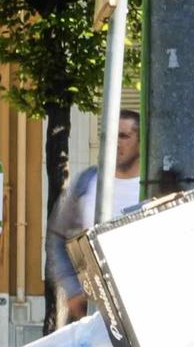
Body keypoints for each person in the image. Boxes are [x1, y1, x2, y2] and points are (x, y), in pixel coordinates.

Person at [46, 110, 142, 325]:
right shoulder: (87, 182)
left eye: (124, 136)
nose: (115, 143)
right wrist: (72, 290)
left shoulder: (155, 186)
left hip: (139, 305)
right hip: (92, 309)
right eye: (109, 136)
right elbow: (58, 238)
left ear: (141, 142)